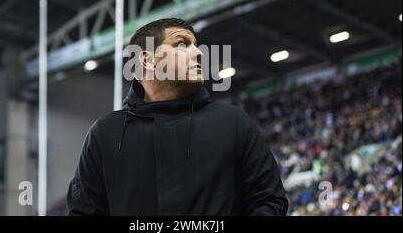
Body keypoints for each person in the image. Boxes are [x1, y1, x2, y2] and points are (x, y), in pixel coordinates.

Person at [66, 18, 288, 215]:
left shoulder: (234, 122)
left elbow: (270, 201)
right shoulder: (105, 134)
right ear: (146, 60)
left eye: (196, 46)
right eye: (182, 45)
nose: (199, 53)